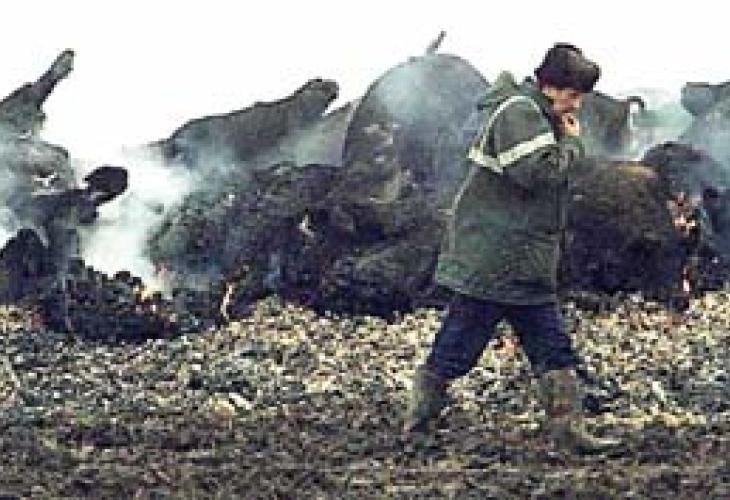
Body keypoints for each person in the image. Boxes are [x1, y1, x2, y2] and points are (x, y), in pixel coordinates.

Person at [403, 43, 619, 453]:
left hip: (520, 259)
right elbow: (538, 174)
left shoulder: (536, 115)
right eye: (572, 94)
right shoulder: (519, 114)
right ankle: (419, 424)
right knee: (458, 345)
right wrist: (572, 144)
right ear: (549, 86)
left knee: (551, 345)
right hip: (496, 257)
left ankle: (568, 430)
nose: (576, 104)